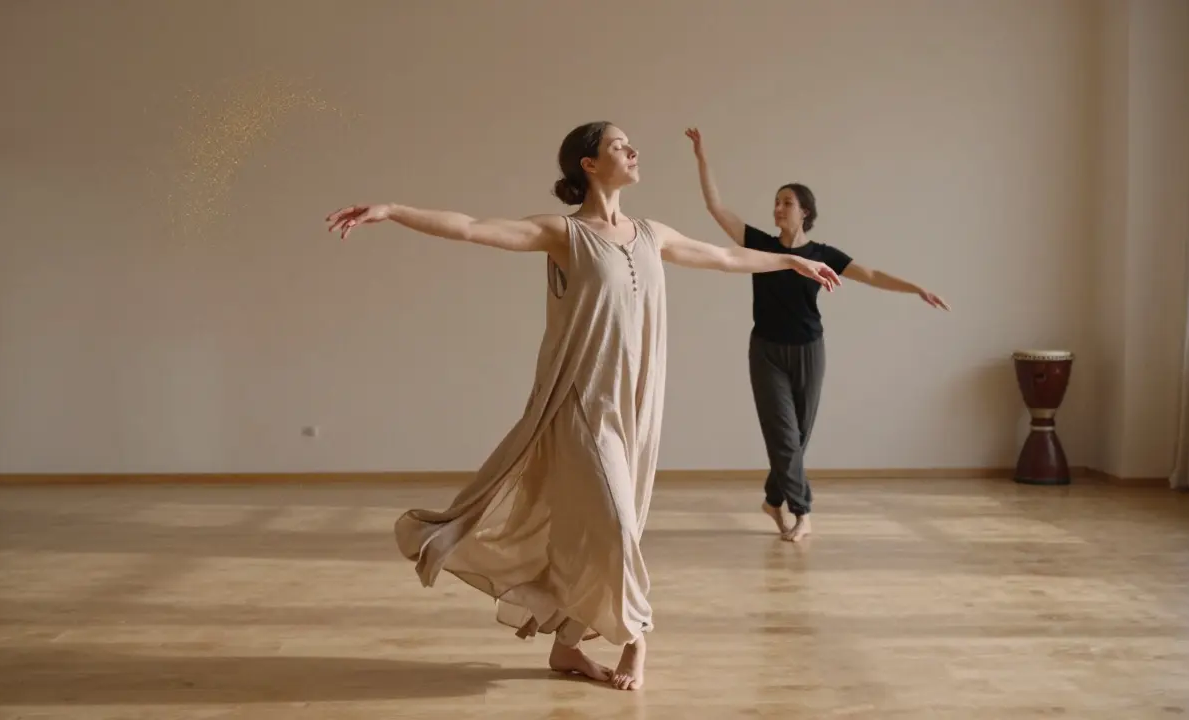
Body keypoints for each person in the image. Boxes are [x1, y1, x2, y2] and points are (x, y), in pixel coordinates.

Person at [325, 121, 841, 692]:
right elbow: (472, 227)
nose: (632, 150)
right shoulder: (564, 234)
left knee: (597, 527)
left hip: (636, 402)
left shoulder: (651, 233)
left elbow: (721, 255)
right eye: (619, 145)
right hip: (581, 399)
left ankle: (567, 647)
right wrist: (393, 210)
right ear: (589, 164)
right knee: (616, 523)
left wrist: (790, 263)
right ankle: (636, 636)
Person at [683, 127, 950, 543]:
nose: (778, 208)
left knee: (798, 437)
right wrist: (702, 158)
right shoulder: (761, 246)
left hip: (809, 350)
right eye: (776, 202)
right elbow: (716, 207)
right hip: (766, 351)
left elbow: (872, 274)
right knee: (783, 436)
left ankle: (773, 499)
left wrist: (915, 288)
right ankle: (801, 511)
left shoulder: (822, 255)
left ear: (804, 212)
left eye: (786, 202)